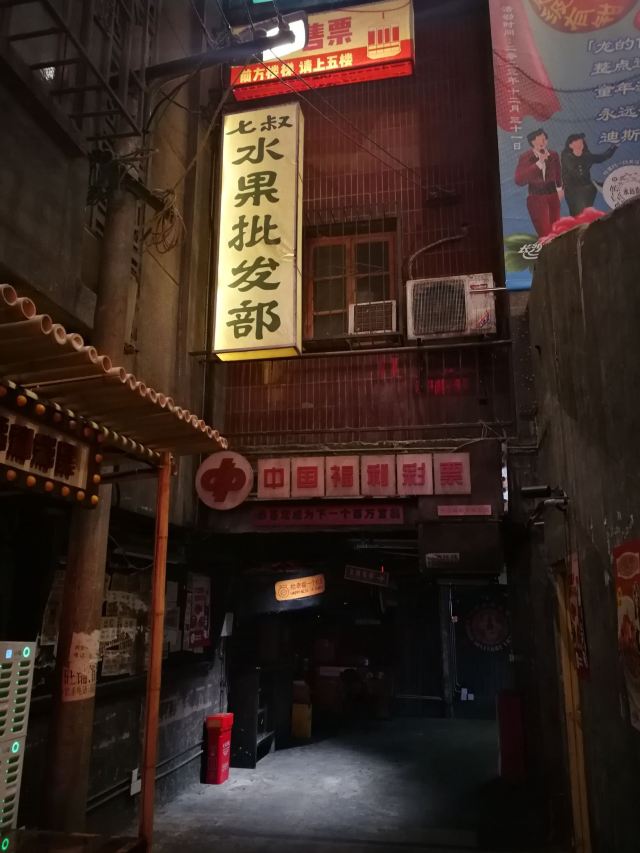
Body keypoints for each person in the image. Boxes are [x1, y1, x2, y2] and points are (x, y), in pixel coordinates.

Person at [515, 128, 563, 238]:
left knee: (555, 230)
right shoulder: (525, 157)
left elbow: (558, 172)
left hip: (553, 195)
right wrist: (539, 164)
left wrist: (560, 189)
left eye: (545, 139)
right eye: (540, 139)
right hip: (536, 197)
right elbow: (519, 180)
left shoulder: (553, 154)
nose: (543, 142)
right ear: (532, 141)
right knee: (544, 232)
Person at [561, 133, 617, 216]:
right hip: (572, 190)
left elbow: (603, 156)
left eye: (581, 142)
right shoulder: (566, 156)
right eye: (576, 142)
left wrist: (614, 147)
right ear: (570, 145)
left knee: (584, 213)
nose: (580, 144)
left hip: (587, 190)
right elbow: (574, 169)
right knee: (576, 213)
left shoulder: (587, 156)